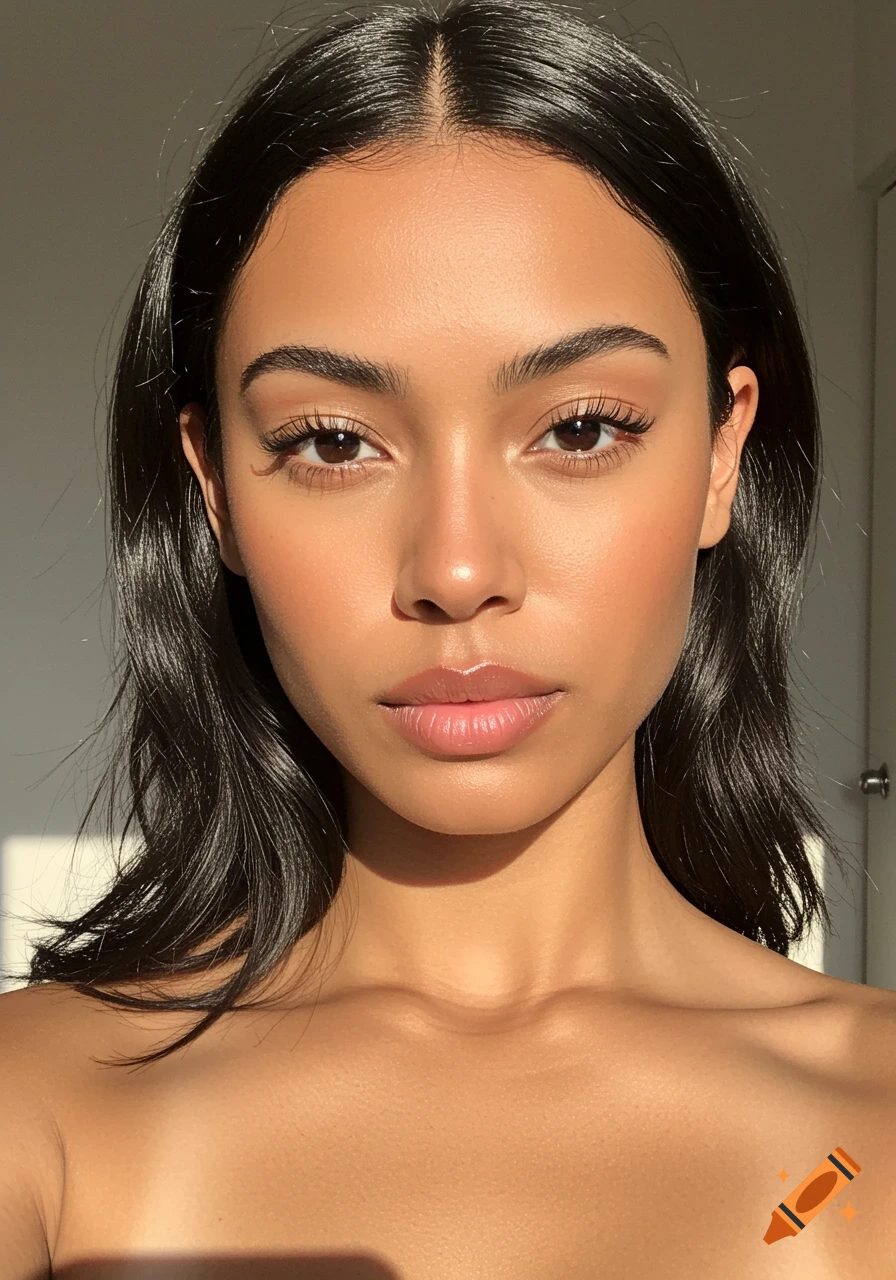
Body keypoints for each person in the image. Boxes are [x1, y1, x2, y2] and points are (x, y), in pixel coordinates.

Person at [2, 1, 894, 1275]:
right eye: (330, 441)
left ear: (720, 451)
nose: (456, 571)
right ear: (215, 490)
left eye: (579, 428)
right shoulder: (35, 1112)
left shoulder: (871, 1122)